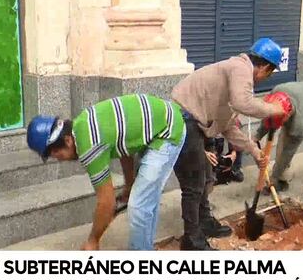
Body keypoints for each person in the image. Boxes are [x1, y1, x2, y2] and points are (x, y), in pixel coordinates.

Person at [26, 94, 185, 251]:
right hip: (160, 121)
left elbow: (107, 203)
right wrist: (129, 186)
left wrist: (93, 241)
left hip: (167, 131)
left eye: (56, 154)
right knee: (145, 198)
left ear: (67, 140)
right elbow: (124, 146)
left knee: (139, 206)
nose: (59, 160)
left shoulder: (89, 147)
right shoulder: (81, 123)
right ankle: (145, 248)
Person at [171, 37, 282, 250]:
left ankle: (204, 221)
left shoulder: (234, 78)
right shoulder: (241, 68)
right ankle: (191, 240)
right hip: (184, 119)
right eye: (269, 73)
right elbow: (244, 103)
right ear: (266, 67)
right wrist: (273, 108)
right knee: (194, 184)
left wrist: (254, 150)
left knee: (204, 178)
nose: (264, 79)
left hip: (194, 122)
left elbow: (229, 128)